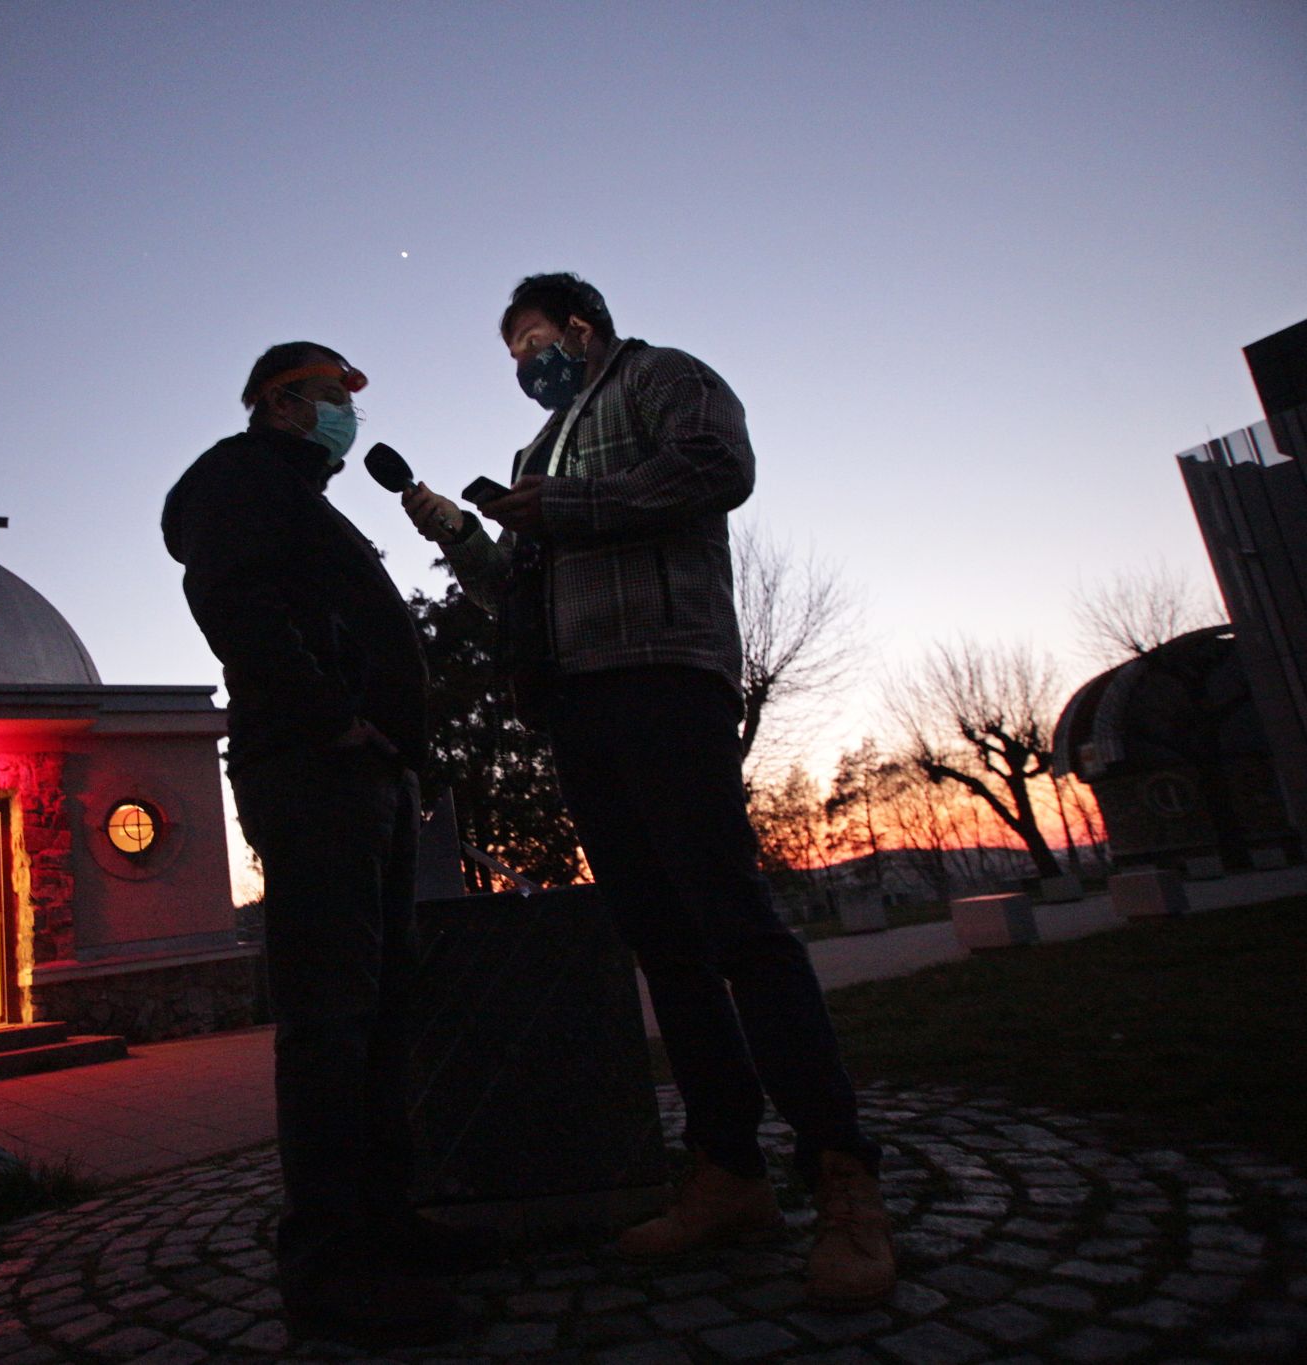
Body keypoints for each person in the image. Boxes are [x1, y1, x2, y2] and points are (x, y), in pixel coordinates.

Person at [400, 274, 896, 1309]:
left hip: (665, 673)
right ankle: (728, 1175)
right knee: (661, 944)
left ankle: (842, 1177)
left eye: (533, 341)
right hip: (576, 702)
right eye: (510, 358)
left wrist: (568, 506)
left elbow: (718, 469)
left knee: (733, 925)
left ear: (580, 327)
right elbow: (519, 593)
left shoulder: (661, 379)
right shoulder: (533, 457)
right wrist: (459, 535)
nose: (525, 367)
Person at [162, 342, 481, 1346]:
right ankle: (329, 1264)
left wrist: (393, 744)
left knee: (381, 1008)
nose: (348, 410)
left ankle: (385, 1225)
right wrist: (324, 710)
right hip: (312, 771)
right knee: (331, 1017)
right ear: (281, 405)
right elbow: (232, 600)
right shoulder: (240, 479)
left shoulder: (306, 502)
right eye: (334, 394)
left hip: (367, 774)